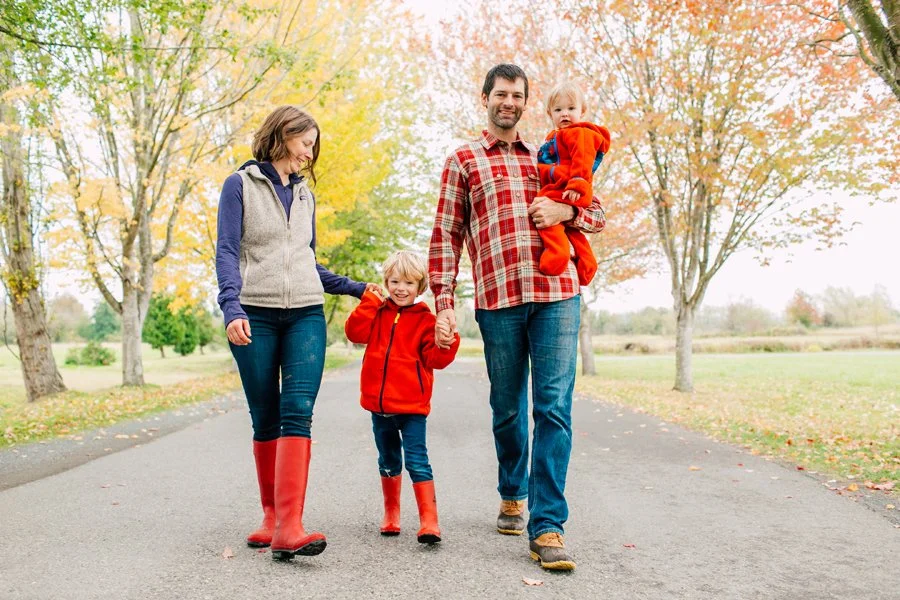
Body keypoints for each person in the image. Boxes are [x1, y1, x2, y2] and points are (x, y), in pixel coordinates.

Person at [428, 64, 607, 571]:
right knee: (507, 408)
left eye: (518, 95)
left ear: (527, 103)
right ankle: (512, 490)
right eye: (501, 94)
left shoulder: (551, 152)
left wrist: (566, 213)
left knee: (553, 408)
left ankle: (547, 525)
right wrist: (443, 303)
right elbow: (446, 235)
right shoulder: (463, 160)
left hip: (557, 293)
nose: (509, 102)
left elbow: (595, 213)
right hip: (498, 299)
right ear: (485, 97)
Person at [215, 105, 379, 561]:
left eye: (313, 146)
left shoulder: (306, 196)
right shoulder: (239, 186)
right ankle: (271, 518)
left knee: (298, 410)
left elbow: (307, 262)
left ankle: (290, 526)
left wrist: (356, 287)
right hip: (254, 313)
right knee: (264, 414)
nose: (310, 153)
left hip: (306, 313)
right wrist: (231, 307)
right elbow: (226, 251)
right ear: (283, 134)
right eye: (306, 143)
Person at [344, 251, 459, 544]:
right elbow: (355, 333)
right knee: (388, 460)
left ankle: (429, 521)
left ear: (420, 286)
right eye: (395, 281)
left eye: (409, 283)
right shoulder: (378, 311)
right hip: (379, 407)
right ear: (386, 282)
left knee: (417, 461)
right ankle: (391, 514)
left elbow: (435, 360)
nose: (401, 288)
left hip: (412, 408)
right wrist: (369, 301)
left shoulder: (426, 320)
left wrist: (446, 341)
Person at [536, 82, 611, 285]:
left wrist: (577, 183)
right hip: (566, 189)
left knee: (545, 218)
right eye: (558, 110)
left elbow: (583, 158)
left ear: (582, 111)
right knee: (571, 230)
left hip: (569, 190)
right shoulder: (555, 137)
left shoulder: (581, 133)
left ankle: (557, 254)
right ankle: (587, 262)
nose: (564, 114)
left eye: (571, 108)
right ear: (550, 114)